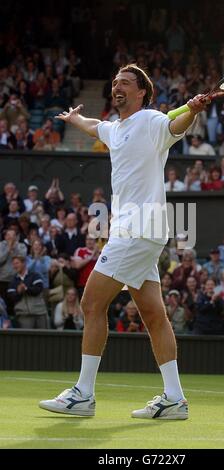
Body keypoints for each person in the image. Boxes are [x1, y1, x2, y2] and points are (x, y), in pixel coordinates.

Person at [39, 63, 210, 420]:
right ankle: (175, 398)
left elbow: (174, 127)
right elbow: (93, 126)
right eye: (115, 82)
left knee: (90, 302)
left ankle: (83, 393)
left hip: (137, 229)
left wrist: (191, 112)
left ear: (142, 92)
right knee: (154, 316)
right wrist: (73, 120)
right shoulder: (114, 129)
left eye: (125, 83)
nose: (117, 87)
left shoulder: (151, 120)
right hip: (139, 233)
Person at [7, 255, 48, 329]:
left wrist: (26, 288)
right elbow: (12, 297)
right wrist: (19, 292)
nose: (14, 266)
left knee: (43, 338)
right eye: (13, 264)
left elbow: (38, 289)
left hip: (39, 312)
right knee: (27, 340)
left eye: (17, 263)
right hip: (24, 315)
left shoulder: (35, 275)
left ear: (24, 263)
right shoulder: (12, 281)